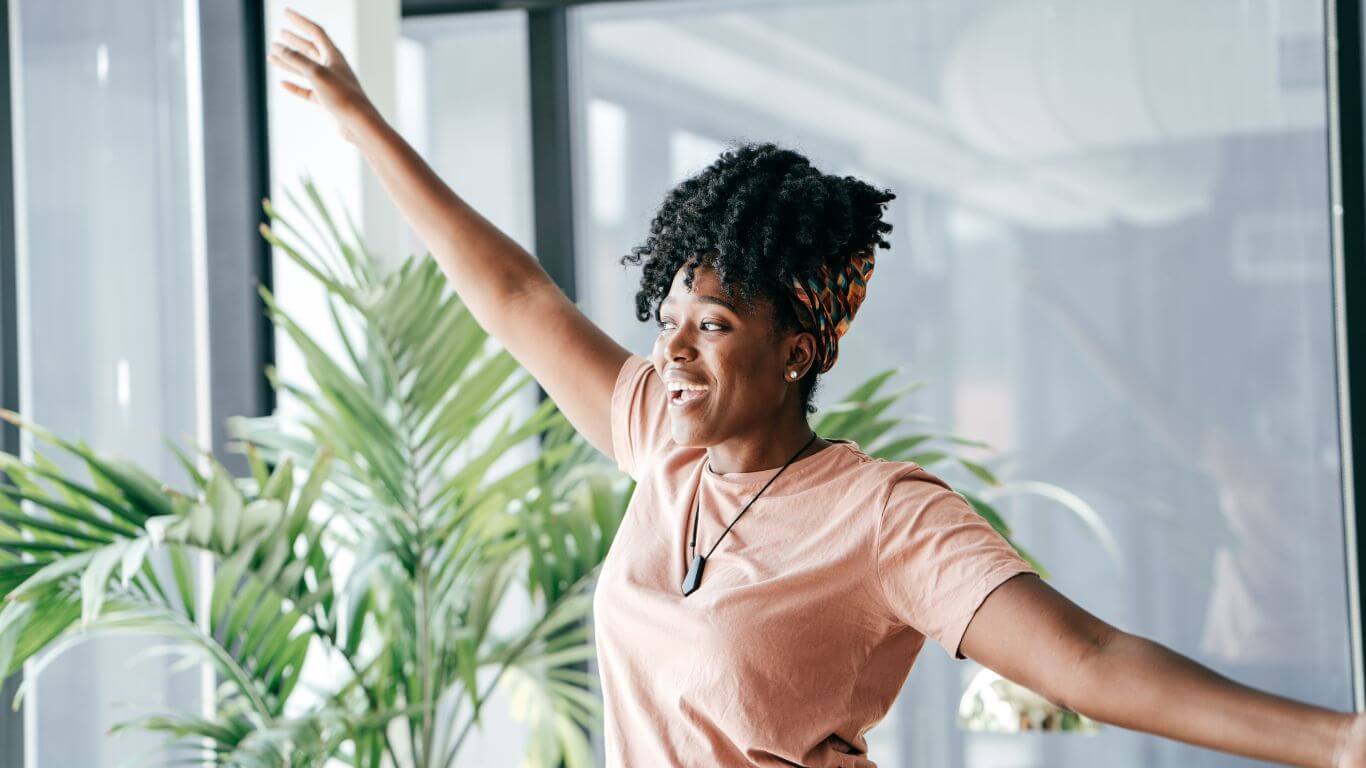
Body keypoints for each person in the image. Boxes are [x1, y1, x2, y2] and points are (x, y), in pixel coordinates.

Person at [267, 8, 1365, 767]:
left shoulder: (883, 519)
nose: (674, 353)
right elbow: (517, 297)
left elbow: (1085, 659)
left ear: (796, 351)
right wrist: (361, 119)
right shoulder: (661, 439)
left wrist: (1337, 742)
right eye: (665, 324)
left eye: (714, 325)